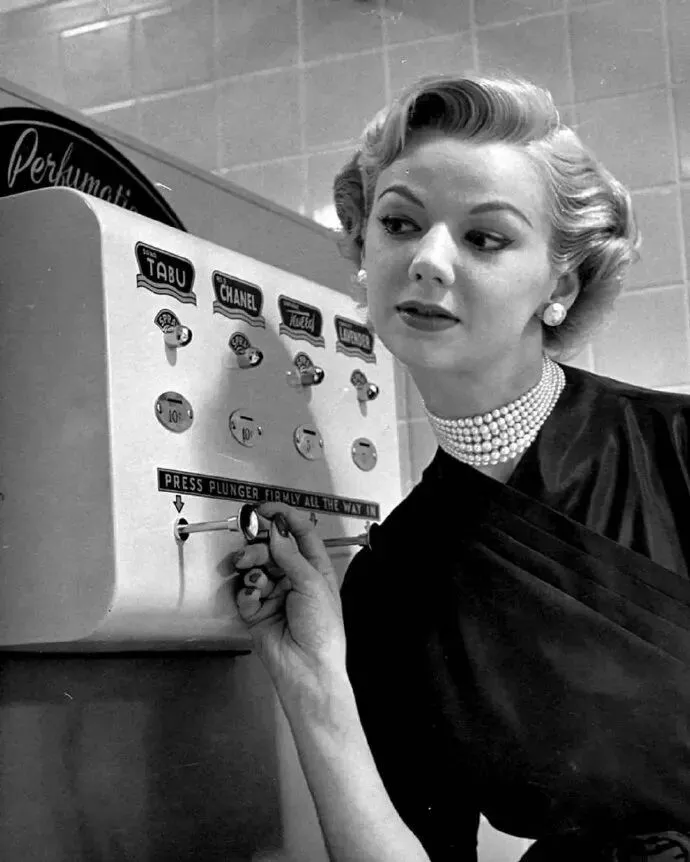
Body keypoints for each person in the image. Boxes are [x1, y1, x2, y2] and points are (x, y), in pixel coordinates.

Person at [232, 73, 690, 861]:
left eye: (484, 238)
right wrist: (314, 680)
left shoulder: (677, 449)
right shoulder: (391, 582)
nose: (428, 260)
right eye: (400, 223)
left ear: (560, 283)